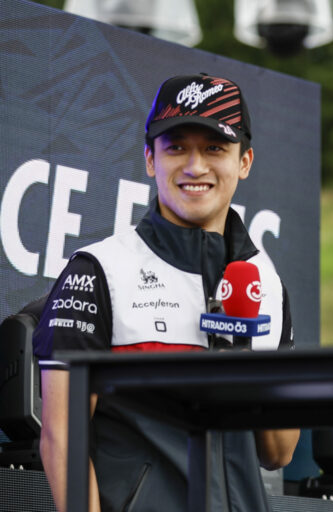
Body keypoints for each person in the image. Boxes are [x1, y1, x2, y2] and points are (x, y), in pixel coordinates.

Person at [34, 73, 300, 512]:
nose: (195, 167)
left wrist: (245, 353)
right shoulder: (98, 270)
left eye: (214, 148)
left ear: (245, 161)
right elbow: (61, 438)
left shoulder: (265, 282)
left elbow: (279, 452)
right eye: (176, 147)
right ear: (150, 160)